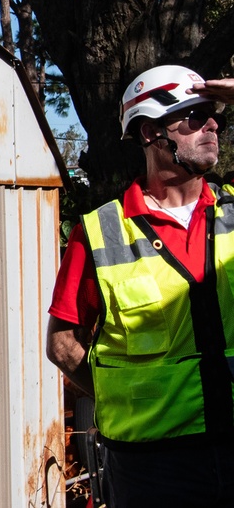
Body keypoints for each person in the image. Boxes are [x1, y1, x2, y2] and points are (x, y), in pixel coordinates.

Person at [46, 64, 234, 508]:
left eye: (217, 116)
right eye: (194, 115)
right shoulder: (101, 232)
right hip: (152, 470)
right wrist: (132, 395)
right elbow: (65, 347)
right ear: (150, 132)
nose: (213, 124)